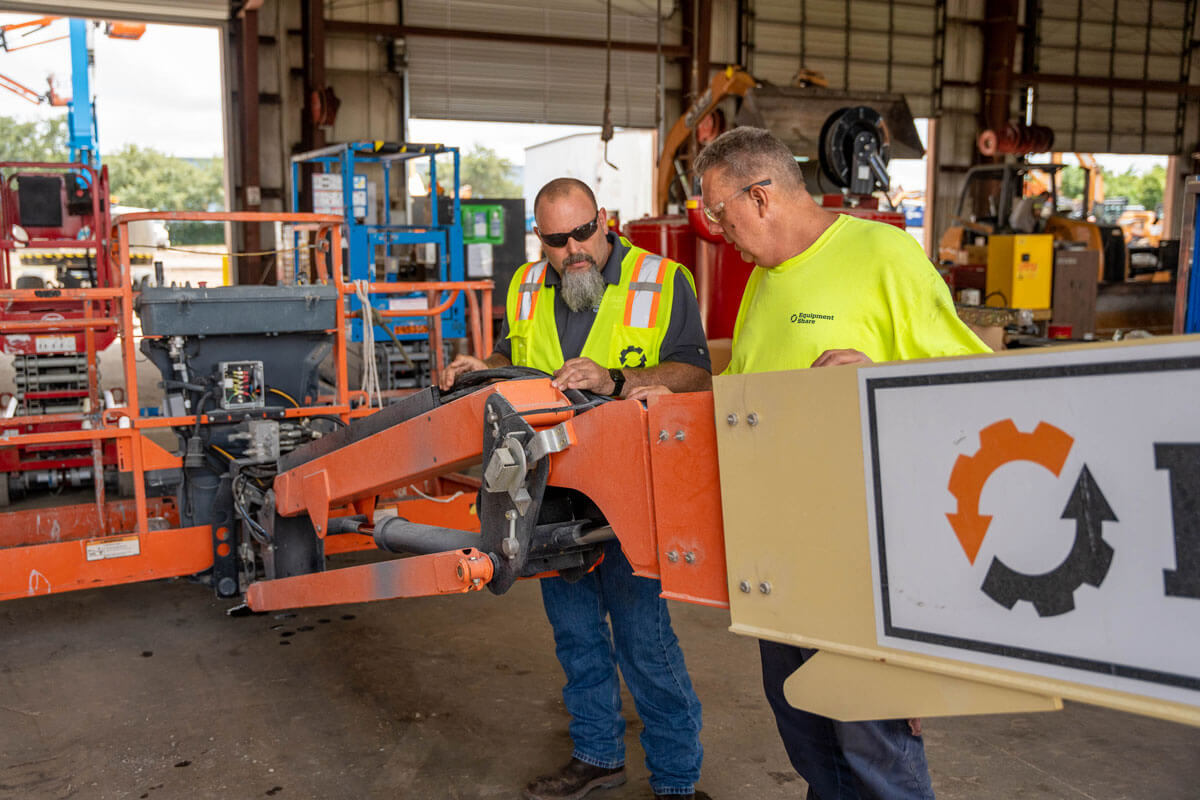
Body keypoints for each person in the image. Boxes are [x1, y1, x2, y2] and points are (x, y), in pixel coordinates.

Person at [687, 127, 991, 799]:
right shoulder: (764, 281)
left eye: (719, 211)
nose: (716, 229)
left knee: (874, 745)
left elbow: (980, 392)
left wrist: (878, 375)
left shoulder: (881, 254)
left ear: (760, 197)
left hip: (861, 562)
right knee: (809, 736)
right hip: (782, 561)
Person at [439, 177, 710, 800]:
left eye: (583, 233)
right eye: (557, 240)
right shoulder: (526, 285)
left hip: (631, 492)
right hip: (549, 488)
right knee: (577, 635)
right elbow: (515, 355)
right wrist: (482, 367)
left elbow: (694, 373)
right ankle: (597, 757)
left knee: (647, 642)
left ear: (604, 219)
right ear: (541, 239)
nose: (574, 251)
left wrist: (617, 378)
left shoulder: (663, 280)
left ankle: (676, 782)